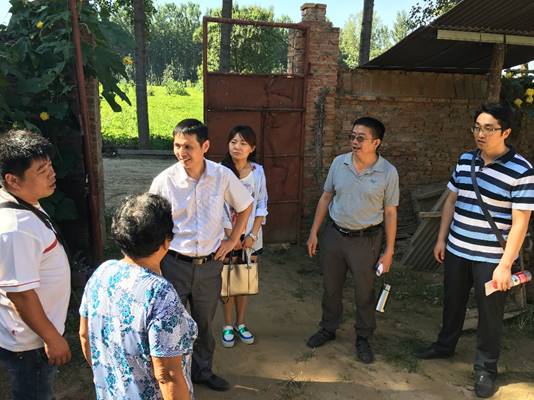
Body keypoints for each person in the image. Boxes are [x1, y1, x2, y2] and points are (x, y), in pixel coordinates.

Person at [415, 103, 534, 398]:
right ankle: (445, 345)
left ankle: (485, 369)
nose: (481, 134)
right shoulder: (465, 159)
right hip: (457, 249)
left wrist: (505, 265)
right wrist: (441, 239)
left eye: (489, 129)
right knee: (452, 302)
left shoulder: (522, 171)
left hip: (491, 259)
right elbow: (451, 200)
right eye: (477, 127)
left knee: (490, 315)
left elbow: (520, 224)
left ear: (506, 132)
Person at [150, 119, 253, 392]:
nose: (181, 152)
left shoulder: (221, 176)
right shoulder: (164, 181)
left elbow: (245, 205)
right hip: (173, 264)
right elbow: (151, 221)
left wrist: (233, 240)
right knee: (169, 323)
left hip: (209, 265)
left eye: (188, 147)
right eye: (177, 146)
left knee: (204, 324)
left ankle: (202, 371)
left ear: (205, 146)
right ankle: (169, 378)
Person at [79, 193, 197, 399]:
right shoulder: (160, 294)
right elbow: (167, 376)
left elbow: (84, 336)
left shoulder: (102, 272)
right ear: (166, 242)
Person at [305, 117, 399, 364]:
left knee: (364, 291)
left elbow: (390, 212)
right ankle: (328, 327)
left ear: (376, 142)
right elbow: (326, 197)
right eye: (352, 136)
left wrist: (389, 250)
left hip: (366, 241)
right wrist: (314, 232)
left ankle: (364, 337)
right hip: (334, 236)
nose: (354, 142)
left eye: (361, 138)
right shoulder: (340, 163)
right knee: (331, 286)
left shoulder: (388, 172)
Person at [0, 129, 71, 400]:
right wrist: (51, 337)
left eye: (50, 165)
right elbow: (20, 294)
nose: (52, 174)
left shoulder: (23, 203)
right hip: (31, 344)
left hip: (34, 336)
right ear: (12, 180)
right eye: (42, 170)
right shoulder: (16, 228)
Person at [220, 125, 268, 348]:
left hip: (251, 239)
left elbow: (261, 203)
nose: (237, 147)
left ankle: (241, 323)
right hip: (227, 237)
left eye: (243, 143)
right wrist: (232, 237)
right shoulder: (220, 171)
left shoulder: (258, 171)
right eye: (233, 142)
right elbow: (219, 207)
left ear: (252, 148)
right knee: (228, 281)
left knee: (244, 279)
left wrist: (252, 235)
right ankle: (227, 325)